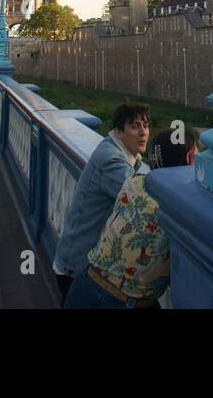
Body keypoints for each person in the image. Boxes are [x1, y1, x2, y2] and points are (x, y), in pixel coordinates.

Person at [54, 102, 150, 303]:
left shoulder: (115, 150)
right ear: (119, 132)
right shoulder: (111, 161)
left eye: (145, 125)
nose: (143, 132)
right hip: (78, 268)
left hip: (79, 262)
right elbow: (143, 200)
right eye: (134, 126)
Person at [63, 171, 169, 309]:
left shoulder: (135, 180)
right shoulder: (179, 205)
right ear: (189, 157)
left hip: (88, 281)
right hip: (123, 301)